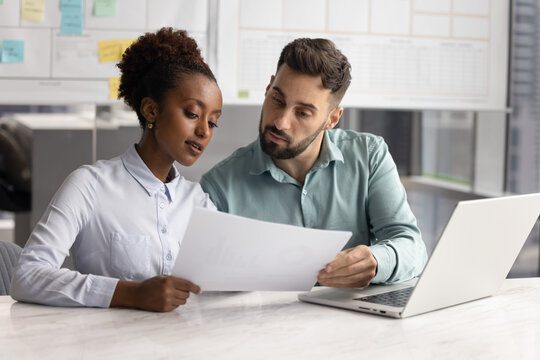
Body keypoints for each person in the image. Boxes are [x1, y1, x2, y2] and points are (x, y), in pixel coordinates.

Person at [10, 28, 223, 312]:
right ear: (151, 110)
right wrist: (130, 294)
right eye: (193, 114)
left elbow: (222, 283)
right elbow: (27, 276)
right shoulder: (89, 185)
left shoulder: (200, 203)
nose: (203, 131)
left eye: (213, 122)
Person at [200, 38, 427, 289]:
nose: (281, 122)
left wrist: (376, 261)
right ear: (267, 89)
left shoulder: (369, 156)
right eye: (277, 100)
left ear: (332, 118)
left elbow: (411, 246)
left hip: (357, 322)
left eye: (303, 113)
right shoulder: (218, 187)